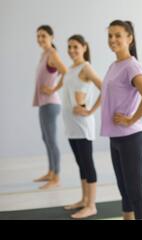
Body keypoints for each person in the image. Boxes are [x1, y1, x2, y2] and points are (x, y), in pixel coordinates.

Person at [101, 20, 142, 220]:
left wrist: (131, 119)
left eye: (118, 35)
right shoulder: (115, 65)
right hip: (116, 137)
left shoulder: (131, 65)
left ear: (129, 38)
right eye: (110, 36)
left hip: (131, 137)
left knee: (135, 191)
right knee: (124, 188)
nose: (113, 39)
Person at [61, 34, 102, 219]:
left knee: (87, 164)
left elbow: (105, 88)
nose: (71, 50)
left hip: (83, 126)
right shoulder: (71, 68)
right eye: (69, 47)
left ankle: (91, 205)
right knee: (80, 164)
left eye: (75, 47)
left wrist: (91, 110)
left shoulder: (86, 68)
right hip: (71, 126)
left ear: (84, 47)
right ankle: (84, 200)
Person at [33, 25, 68, 190]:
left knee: (52, 140)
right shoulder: (44, 54)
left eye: (43, 36)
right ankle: (50, 172)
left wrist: (53, 89)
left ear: (52, 37)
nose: (40, 39)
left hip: (51, 103)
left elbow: (66, 72)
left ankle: (56, 177)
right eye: (38, 36)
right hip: (43, 103)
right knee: (45, 138)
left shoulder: (52, 54)